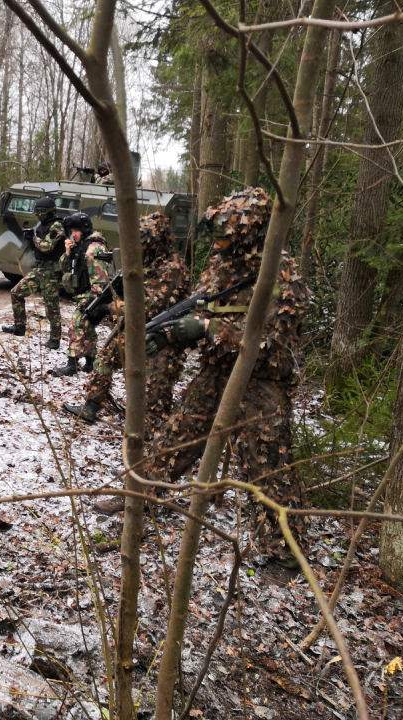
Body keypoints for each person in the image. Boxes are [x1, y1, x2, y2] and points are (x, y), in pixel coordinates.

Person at [98, 189, 309, 564]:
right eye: (217, 235)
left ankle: (284, 555)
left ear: (251, 232)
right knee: (177, 434)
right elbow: (199, 308)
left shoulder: (283, 274)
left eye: (227, 235)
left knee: (267, 466)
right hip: (216, 373)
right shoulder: (223, 265)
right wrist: (168, 335)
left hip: (261, 386)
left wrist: (209, 328)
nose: (219, 242)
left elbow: (275, 350)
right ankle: (137, 497)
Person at [63, 213, 190, 424]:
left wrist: (109, 307)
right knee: (106, 357)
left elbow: (146, 306)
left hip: (167, 334)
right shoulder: (149, 264)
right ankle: (90, 407)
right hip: (141, 328)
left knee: (156, 389)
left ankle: (153, 428)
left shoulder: (171, 269)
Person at [49, 212, 112, 377]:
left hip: (92, 295)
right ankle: (91, 363)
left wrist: (94, 300)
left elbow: (100, 277)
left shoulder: (94, 247)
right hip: (83, 294)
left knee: (76, 326)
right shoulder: (80, 246)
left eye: (75, 230)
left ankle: (72, 364)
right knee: (88, 329)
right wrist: (68, 253)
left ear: (83, 230)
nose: (73, 234)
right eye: (71, 231)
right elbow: (62, 268)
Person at [1, 197, 67, 348]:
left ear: (49, 212)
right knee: (16, 292)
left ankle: (55, 339)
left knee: (51, 307)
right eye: (36, 212)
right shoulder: (42, 225)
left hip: (51, 272)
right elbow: (37, 249)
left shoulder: (57, 226)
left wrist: (34, 238)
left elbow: (46, 247)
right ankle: (19, 327)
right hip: (40, 269)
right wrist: (30, 240)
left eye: (41, 212)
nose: (38, 215)